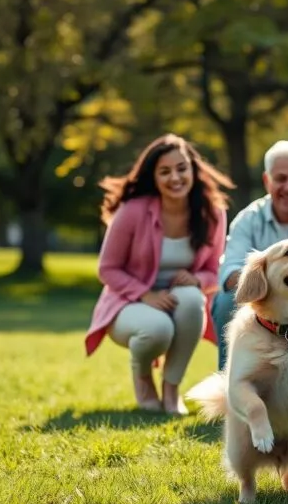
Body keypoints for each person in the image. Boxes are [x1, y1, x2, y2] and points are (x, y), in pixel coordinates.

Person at [84, 133, 233, 415]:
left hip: (180, 301)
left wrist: (199, 280)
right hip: (128, 303)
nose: (175, 178)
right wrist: (145, 294)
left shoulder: (212, 212)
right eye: (165, 171)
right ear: (153, 176)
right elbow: (107, 269)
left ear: (193, 170)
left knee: (192, 299)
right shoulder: (133, 211)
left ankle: (171, 388)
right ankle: (142, 375)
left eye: (181, 168)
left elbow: (216, 269)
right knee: (158, 329)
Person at [210, 140, 288, 370]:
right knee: (227, 301)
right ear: (267, 181)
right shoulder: (248, 220)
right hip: (265, 312)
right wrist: (272, 284)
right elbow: (229, 275)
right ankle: (232, 381)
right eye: (280, 178)